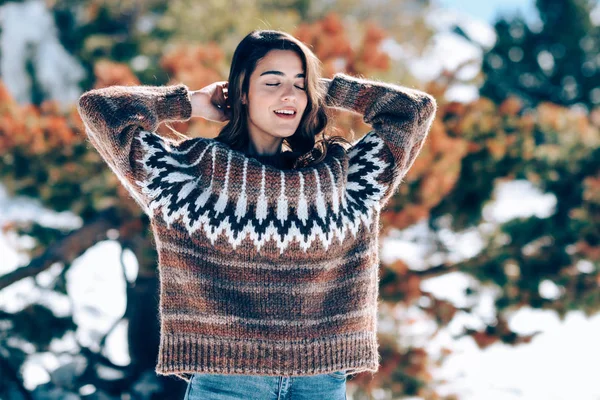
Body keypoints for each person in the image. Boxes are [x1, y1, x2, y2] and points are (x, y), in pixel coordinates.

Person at [77, 29, 437, 400]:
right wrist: (191, 104)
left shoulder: (343, 178)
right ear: (242, 92)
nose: (289, 95)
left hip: (321, 384)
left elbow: (413, 111)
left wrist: (321, 89)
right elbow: (103, 110)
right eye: (272, 82)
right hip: (226, 384)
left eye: (299, 84)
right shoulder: (189, 175)